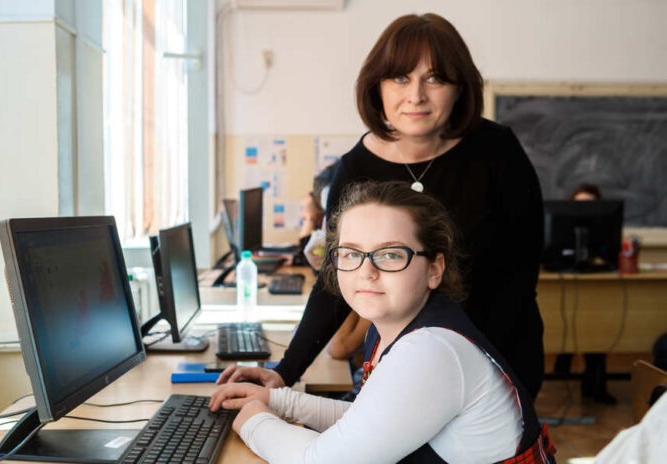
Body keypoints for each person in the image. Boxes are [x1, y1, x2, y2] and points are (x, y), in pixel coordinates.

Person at [217, 13, 546, 399]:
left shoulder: (498, 151)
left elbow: (521, 275)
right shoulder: (356, 169)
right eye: (400, 78)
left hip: (497, 360)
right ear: (378, 87)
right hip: (399, 366)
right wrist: (285, 371)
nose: (416, 96)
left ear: (460, 89)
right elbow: (335, 279)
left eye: (435, 79)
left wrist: (477, 367)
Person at [211, 181, 555, 463]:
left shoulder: (431, 351)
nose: (366, 271)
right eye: (351, 253)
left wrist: (254, 420)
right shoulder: (393, 326)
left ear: (434, 269)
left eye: (390, 254)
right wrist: (276, 401)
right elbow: (365, 421)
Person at [553, 183, 617, 404]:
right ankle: (564, 358)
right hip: (564, 287)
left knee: (598, 322)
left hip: (596, 289)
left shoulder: (604, 232)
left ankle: (595, 381)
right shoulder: (560, 231)